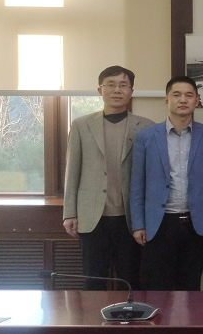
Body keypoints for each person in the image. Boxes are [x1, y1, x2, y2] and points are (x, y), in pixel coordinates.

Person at [62, 65, 152, 290]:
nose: (117, 90)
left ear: (131, 91)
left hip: (130, 218)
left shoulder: (146, 127)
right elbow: (72, 171)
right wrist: (69, 212)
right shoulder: (81, 125)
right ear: (100, 90)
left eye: (123, 85)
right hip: (92, 217)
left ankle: (129, 314)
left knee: (130, 280)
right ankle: (94, 315)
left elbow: (151, 176)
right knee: (94, 279)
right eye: (111, 85)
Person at [129, 76, 203, 291]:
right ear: (166, 100)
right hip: (159, 223)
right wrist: (138, 224)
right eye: (176, 95)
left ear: (197, 100)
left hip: (195, 223)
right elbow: (137, 183)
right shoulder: (146, 136)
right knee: (158, 287)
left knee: (191, 286)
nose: (183, 100)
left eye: (189, 95)